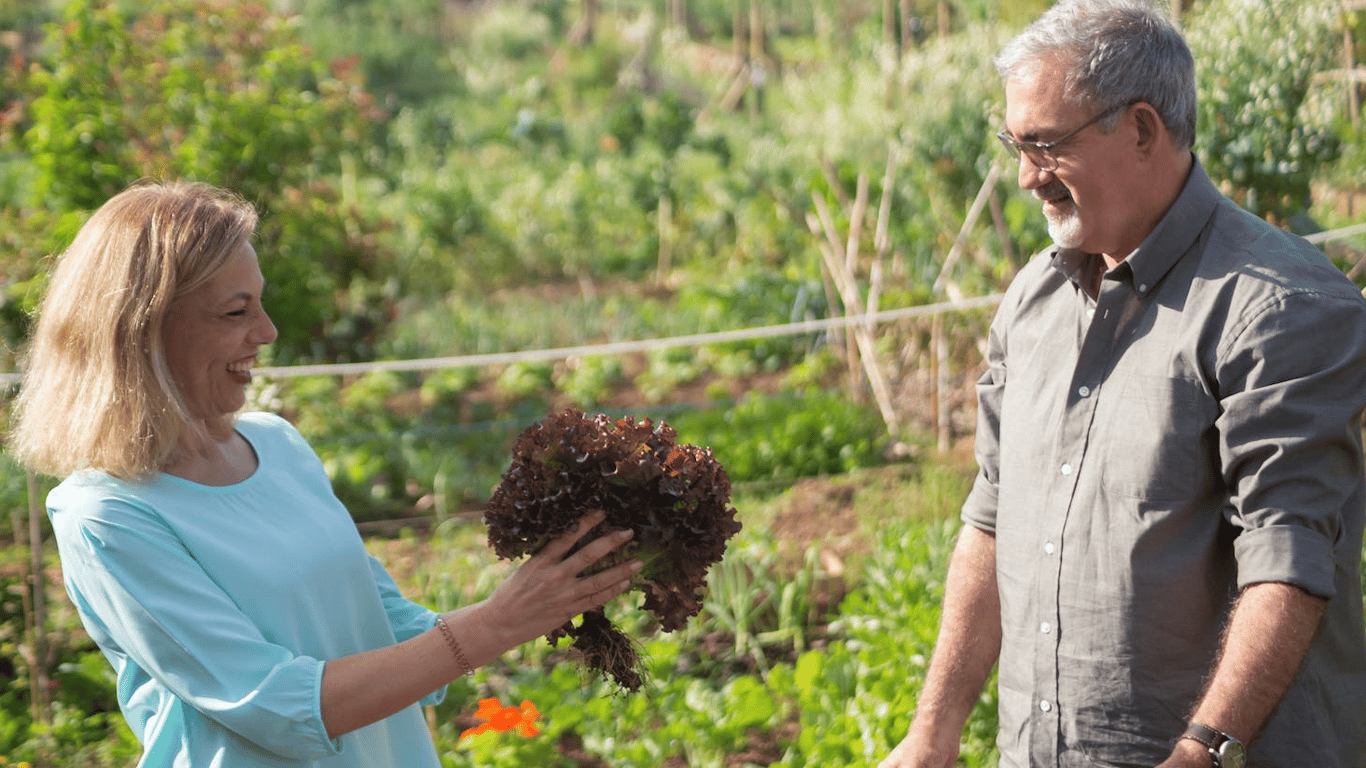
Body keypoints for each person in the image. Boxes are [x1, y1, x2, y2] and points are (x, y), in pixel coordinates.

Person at [879, 1, 1366, 767]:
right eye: (1015, 142)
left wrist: (1202, 748)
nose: (1025, 175)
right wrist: (934, 729)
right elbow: (991, 519)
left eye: (1046, 145)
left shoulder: (1279, 309)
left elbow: (1288, 558)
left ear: (1142, 129)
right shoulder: (1034, 301)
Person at [9, 180, 643, 768]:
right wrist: (499, 622)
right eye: (237, 312)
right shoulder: (109, 515)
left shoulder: (276, 445)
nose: (267, 331)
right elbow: (273, 704)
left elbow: (383, 622)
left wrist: (556, 585)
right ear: (143, 331)